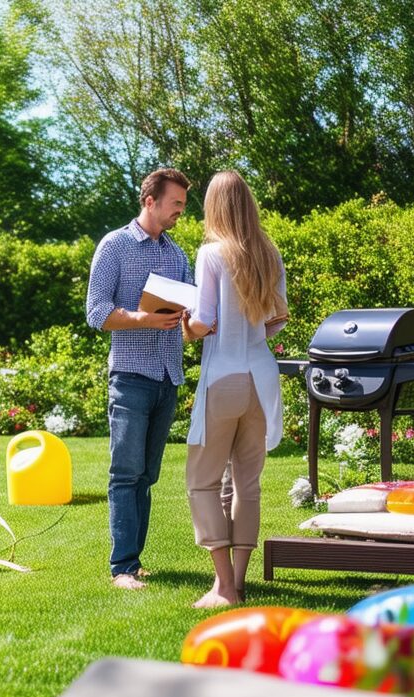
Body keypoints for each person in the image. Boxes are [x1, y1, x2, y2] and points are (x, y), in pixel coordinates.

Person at [182, 170, 288, 608]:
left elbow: (203, 321)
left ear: (213, 206)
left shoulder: (211, 254)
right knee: (248, 484)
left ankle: (223, 587)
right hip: (262, 378)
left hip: (223, 376)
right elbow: (278, 320)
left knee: (202, 482)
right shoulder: (270, 251)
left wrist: (187, 327)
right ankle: (240, 583)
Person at [85, 168, 193, 590]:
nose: (181, 212)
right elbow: (96, 313)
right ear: (150, 201)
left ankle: (134, 562)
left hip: (167, 376)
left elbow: (188, 315)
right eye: (176, 204)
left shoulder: (178, 255)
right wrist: (144, 318)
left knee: (147, 475)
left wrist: (194, 315)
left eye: (183, 205)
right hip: (130, 377)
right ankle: (122, 568)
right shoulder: (114, 247)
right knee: (125, 473)